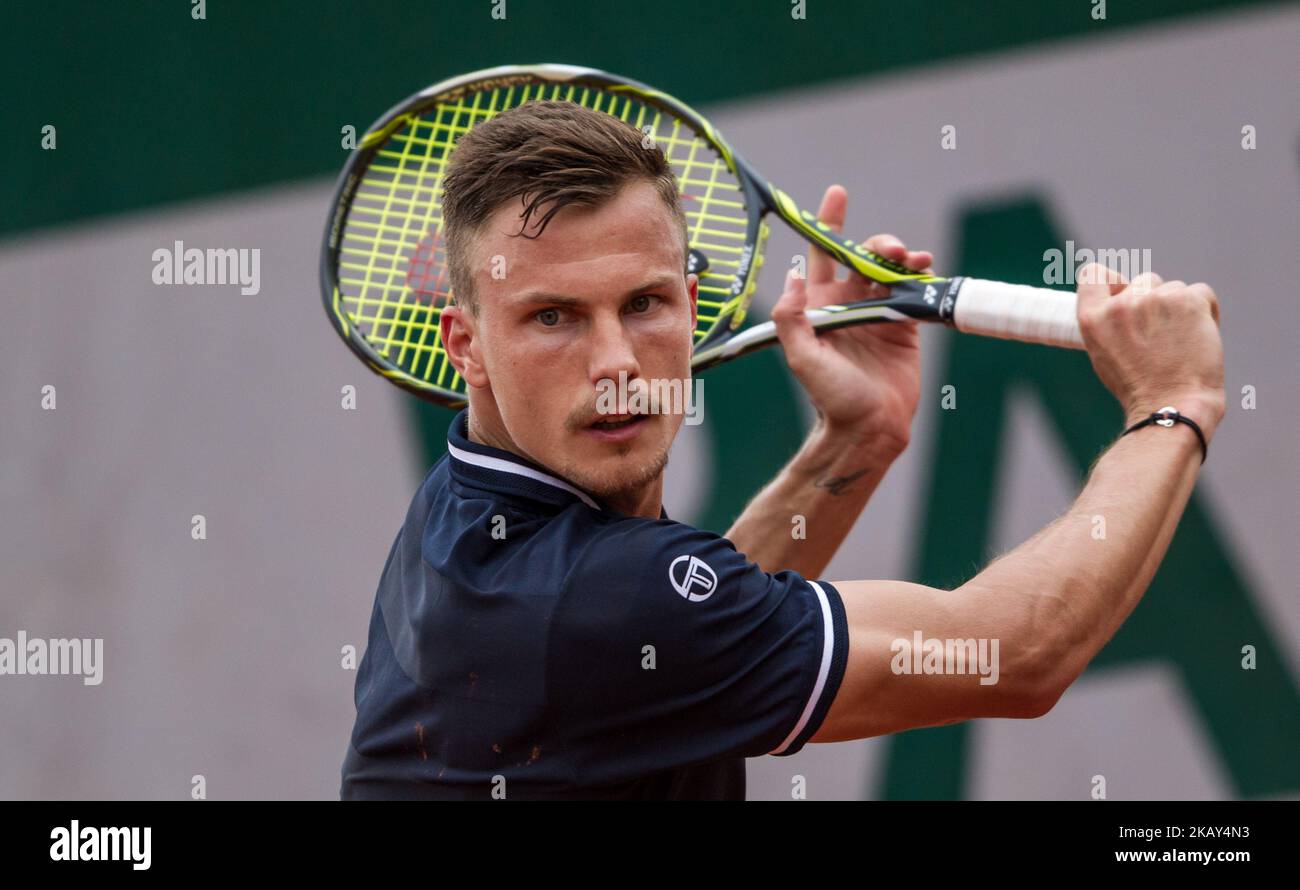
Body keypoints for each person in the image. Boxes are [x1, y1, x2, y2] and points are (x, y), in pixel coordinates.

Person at [339, 101, 1225, 800]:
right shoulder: (597, 601)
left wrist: (857, 439)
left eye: (644, 303)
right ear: (464, 345)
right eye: (553, 316)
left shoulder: (466, 509)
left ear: (693, 302)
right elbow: (1016, 655)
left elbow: (696, 642)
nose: (614, 363)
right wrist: (1169, 402)